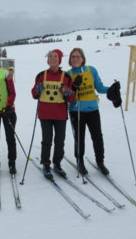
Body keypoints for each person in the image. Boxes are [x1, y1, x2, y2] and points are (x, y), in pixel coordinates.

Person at [67, 47, 122, 176]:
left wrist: (112, 89)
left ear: (83, 58)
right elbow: (68, 94)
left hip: (93, 109)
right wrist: (74, 87)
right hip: (77, 110)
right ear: (70, 59)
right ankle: (80, 161)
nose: (75, 59)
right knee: (79, 138)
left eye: (78, 56)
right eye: (73, 57)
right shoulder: (68, 74)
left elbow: (100, 87)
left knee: (97, 136)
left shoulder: (91, 70)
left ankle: (100, 161)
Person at [31, 49, 76, 180]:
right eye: (50, 56)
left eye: (55, 56)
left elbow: (72, 97)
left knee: (59, 140)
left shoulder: (66, 77)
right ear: (48, 60)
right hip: (45, 114)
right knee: (47, 140)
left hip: (60, 114)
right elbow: (34, 94)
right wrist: (37, 90)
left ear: (60, 60)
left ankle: (57, 163)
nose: (53, 58)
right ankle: (45, 164)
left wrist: (68, 92)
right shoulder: (41, 75)